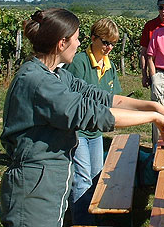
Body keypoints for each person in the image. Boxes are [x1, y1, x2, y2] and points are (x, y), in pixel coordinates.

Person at [0, 8, 164, 227]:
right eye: (76, 39)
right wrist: (152, 117)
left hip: (48, 184)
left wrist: (153, 106)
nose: (78, 44)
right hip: (34, 191)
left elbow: (100, 97)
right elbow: (92, 113)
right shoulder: (39, 82)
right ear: (61, 43)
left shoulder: (56, 74)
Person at [64, 18, 121, 225]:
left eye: (113, 43)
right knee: (82, 178)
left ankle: (96, 217)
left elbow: (114, 98)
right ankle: (82, 221)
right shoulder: (78, 63)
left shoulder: (110, 66)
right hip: (77, 130)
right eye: (105, 42)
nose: (109, 48)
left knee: (97, 176)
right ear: (93, 38)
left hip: (95, 132)